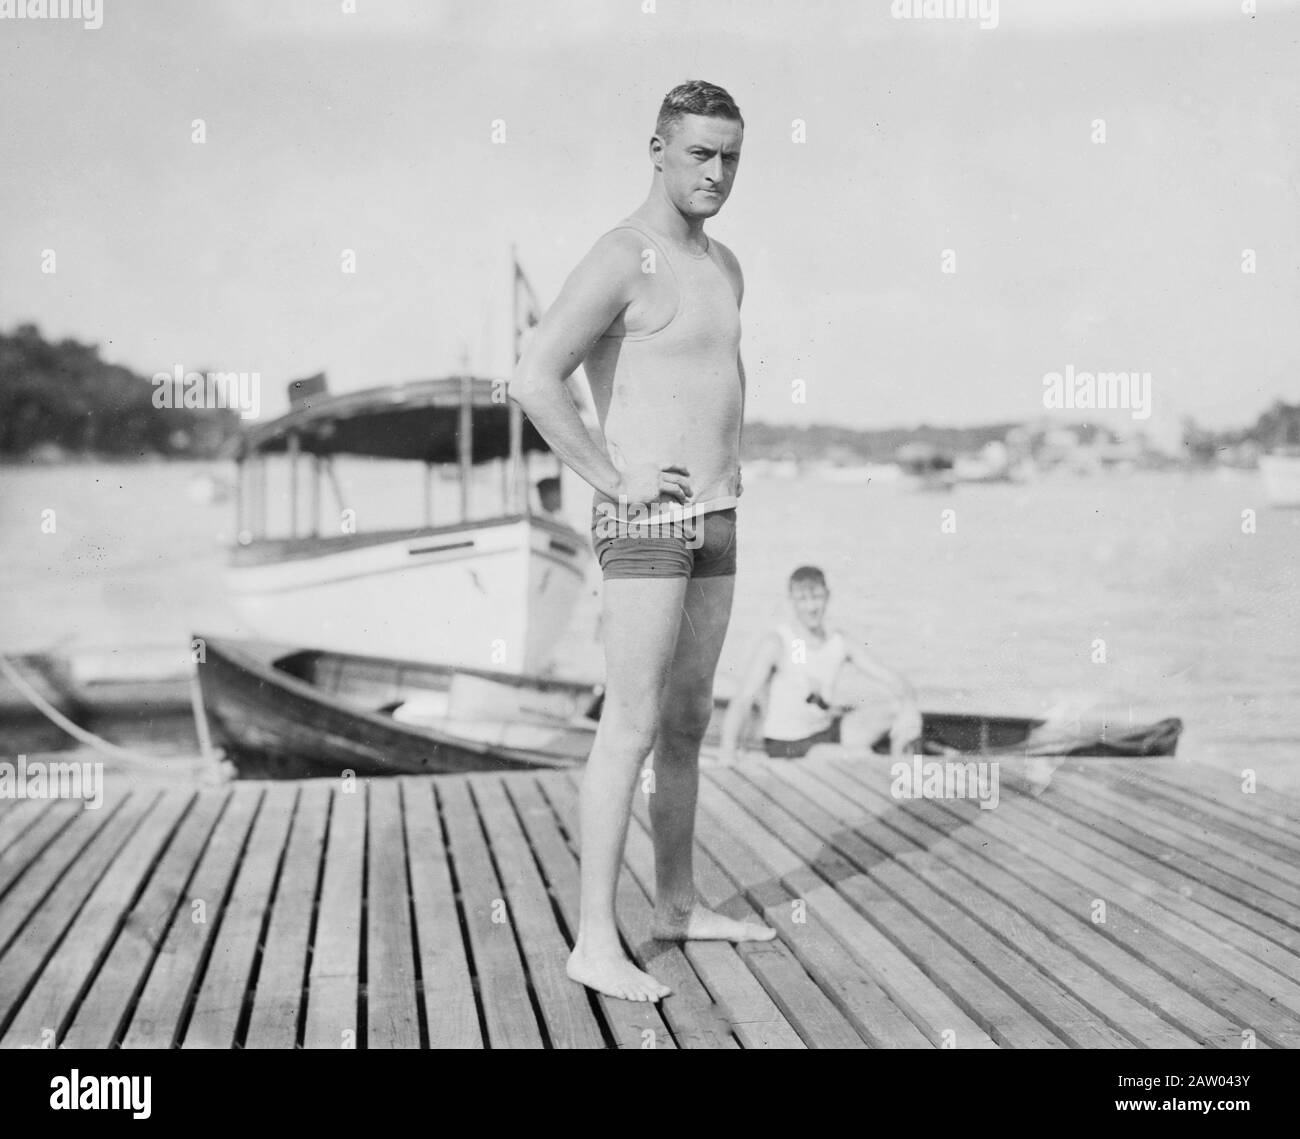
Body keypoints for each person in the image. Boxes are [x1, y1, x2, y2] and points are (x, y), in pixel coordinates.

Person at [509, 79, 774, 1003]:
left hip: (716, 514)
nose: (717, 171)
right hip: (644, 519)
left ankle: (677, 902)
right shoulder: (625, 255)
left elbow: (712, 381)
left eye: (731, 155)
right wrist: (612, 476)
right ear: (657, 150)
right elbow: (536, 376)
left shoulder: (727, 265)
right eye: (700, 152)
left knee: (690, 718)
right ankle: (592, 939)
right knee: (629, 721)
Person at [718, 566, 923, 761]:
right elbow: (742, 701)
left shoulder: (839, 642)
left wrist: (909, 708)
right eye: (802, 599)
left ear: (827, 596)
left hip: (824, 730)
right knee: (862, 756)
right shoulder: (777, 642)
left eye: (816, 597)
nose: (811, 607)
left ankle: (903, 767)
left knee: (900, 709)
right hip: (787, 743)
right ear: (791, 601)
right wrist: (728, 752)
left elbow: (894, 679)